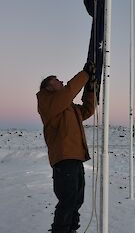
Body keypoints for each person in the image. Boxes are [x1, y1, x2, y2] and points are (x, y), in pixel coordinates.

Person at [37, 62, 95, 233]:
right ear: (48, 87)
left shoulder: (68, 108)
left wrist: (90, 90)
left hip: (76, 158)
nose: (61, 81)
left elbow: (87, 110)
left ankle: (71, 230)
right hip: (64, 159)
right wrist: (85, 74)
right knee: (68, 201)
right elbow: (68, 91)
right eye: (57, 80)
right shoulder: (46, 102)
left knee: (77, 201)